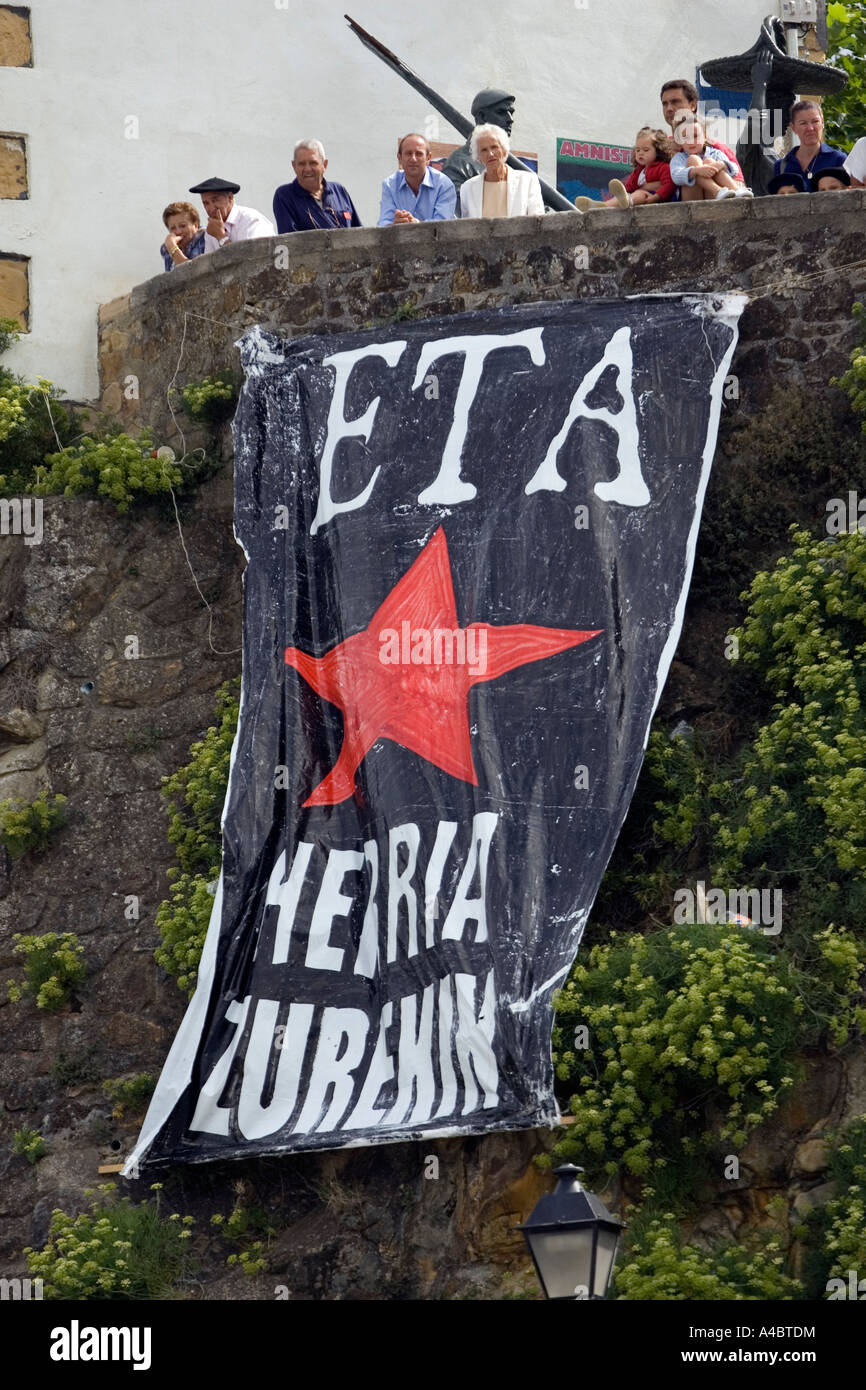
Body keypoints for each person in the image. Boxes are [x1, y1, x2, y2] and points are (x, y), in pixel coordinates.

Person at [574, 127, 674, 211]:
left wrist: (656, 197)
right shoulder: (638, 171)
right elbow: (630, 186)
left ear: (658, 151)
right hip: (635, 197)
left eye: (646, 150)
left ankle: (626, 200)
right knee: (624, 196)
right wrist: (623, 192)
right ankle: (602, 206)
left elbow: (669, 184)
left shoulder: (663, 167)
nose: (640, 153)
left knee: (640, 193)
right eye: (637, 150)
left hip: (654, 199)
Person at [273, 141, 362, 233]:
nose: (307, 169)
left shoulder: (339, 191)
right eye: (302, 164)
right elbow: (290, 240)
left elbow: (359, 233)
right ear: (294, 166)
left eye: (313, 163)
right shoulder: (285, 196)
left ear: (324, 165)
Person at [441, 89, 516, 197]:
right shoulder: (459, 164)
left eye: (511, 112)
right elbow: (457, 208)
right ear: (482, 117)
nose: (510, 119)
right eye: (501, 112)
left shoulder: (512, 168)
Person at [458, 124, 544, 219]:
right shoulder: (467, 188)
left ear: (504, 150)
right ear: (478, 157)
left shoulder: (528, 181)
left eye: (494, 147)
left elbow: (537, 223)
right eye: (484, 150)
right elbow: (466, 228)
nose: (490, 154)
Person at [670, 111, 752, 199]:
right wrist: (695, 171)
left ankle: (736, 190)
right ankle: (718, 190)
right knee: (693, 160)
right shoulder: (679, 158)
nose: (691, 141)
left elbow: (734, 169)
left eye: (695, 136)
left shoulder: (715, 153)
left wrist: (722, 164)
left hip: (712, 196)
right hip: (693, 195)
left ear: (704, 137)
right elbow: (676, 176)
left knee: (710, 161)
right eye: (685, 137)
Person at [378, 133, 457, 225]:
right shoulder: (389, 185)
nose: (413, 159)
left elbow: (443, 225)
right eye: (408, 153)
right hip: (401, 238)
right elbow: (383, 223)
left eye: (419, 154)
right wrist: (393, 224)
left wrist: (416, 224)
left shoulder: (443, 184)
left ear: (428, 158)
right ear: (399, 158)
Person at [772, 101, 846, 190]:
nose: (810, 128)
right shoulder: (781, 167)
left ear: (822, 122)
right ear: (793, 127)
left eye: (815, 121)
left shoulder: (839, 160)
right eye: (803, 123)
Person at [188, 176, 274, 251]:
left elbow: (248, 261)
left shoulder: (250, 220)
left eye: (215, 200)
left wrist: (221, 237)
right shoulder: (211, 230)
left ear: (230, 198)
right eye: (206, 203)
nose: (211, 208)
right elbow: (211, 266)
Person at [160, 201, 207, 271]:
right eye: (173, 228)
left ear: (196, 225)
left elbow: (191, 273)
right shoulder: (166, 249)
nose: (178, 232)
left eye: (183, 226)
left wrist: (173, 248)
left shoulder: (205, 238)